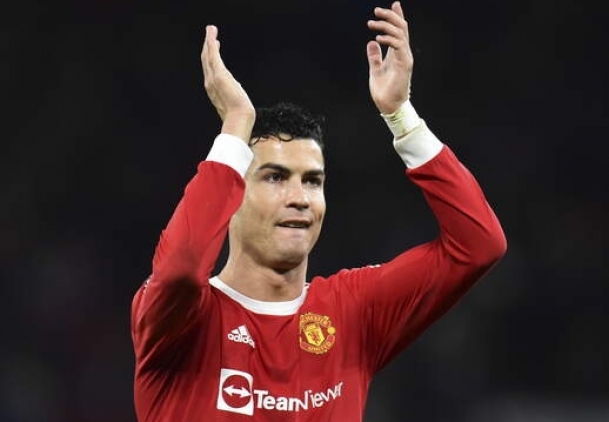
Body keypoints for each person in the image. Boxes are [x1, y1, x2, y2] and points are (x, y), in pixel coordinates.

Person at [130, 2, 506, 421]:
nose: (300, 197)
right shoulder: (182, 320)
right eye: (275, 177)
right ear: (230, 195)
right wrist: (235, 125)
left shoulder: (353, 312)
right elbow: (181, 269)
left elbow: (479, 245)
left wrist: (401, 116)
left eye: (312, 181)